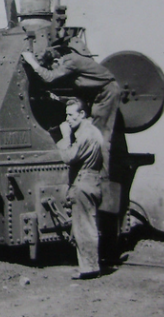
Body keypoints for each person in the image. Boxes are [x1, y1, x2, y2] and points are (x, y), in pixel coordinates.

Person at [21, 44, 120, 178]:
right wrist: (60, 99)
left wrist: (32, 61)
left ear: (56, 61)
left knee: (100, 135)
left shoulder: (70, 61)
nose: (55, 71)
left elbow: (50, 77)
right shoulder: (71, 62)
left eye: (51, 67)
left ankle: (100, 175)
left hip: (105, 95)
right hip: (98, 95)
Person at [57, 98, 104, 280]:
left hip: (83, 182)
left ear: (82, 114)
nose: (67, 119)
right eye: (66, 115)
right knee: (88, 223)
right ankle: (90, 265)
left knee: (84, 226)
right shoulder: (94, 132)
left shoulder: (85, 135)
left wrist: (65, 137)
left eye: (71, 115)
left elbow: (69, 156)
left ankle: (89, 268)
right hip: (92, 181)